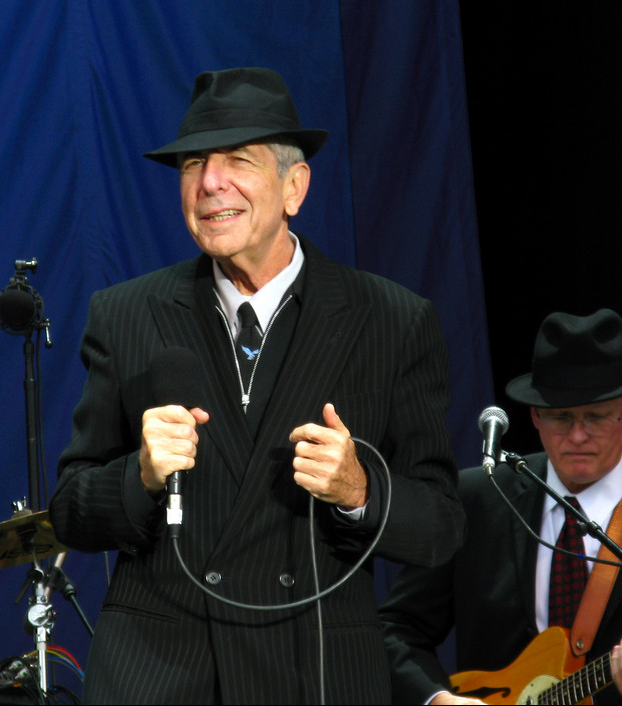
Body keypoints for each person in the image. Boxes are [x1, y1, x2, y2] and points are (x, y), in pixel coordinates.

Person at [48, 67, 465, 704]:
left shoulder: (392, 320)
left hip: (314, 671)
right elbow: (71, 511)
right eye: (192, 165)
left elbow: (439, 527)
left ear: (294, 187)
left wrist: (359, 489)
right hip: (161, 676)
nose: (210, 183)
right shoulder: (126, 315)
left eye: (237, 159)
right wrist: (140, 475)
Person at [379, 309, 622, 704]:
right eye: (560, 417)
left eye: (596, 417)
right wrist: (436, 699)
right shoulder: (476, 500)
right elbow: (395, 628)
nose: (578, 435)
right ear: (534, 417)